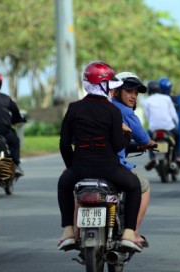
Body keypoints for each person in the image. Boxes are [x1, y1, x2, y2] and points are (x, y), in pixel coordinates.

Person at [57, 61, 143, 252]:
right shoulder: (112, 110)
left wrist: (72, 166)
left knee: (63, 184)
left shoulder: (73, 108)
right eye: (110, 87)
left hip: (80, 168)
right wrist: (127, 135)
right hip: (109, 169)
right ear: (104, 86)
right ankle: (129, 233)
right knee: (135, 186)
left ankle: (68, 232)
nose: (113, 91)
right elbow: (117, 145)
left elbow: (64, 144)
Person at [112, 71, 155, 247]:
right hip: (112, 166)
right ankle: (133, 232)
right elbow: (143, 139)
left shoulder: (99, 107)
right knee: (143, 186)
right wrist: (150, 143)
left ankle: (73, 231)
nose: (133, 96)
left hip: (84, 164)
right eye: (129, 91)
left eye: (136, 93)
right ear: (116, 90)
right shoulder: (125, 112)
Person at [144, 80, 180, 170]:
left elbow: (147, 116)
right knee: (178, 136)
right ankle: (177, 156)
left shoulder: (147, 101)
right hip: (168, 126)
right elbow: (174, 115)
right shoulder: (167, 98)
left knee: (148, 140)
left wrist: (153, 124)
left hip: (153, 128)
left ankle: (152, 157)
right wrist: (177, 124)